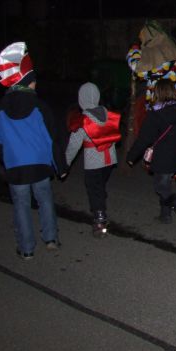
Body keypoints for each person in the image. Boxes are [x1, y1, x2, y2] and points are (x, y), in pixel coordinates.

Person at [0, 42, 68, 259]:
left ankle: (26, 249)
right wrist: (60, 166)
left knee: (21, 206)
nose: (36, 85)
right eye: (34, 81)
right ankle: (51, 239)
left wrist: (7, 156)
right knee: (45, 200)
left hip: (16, 167)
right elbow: (52, 138)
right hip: (40, 164)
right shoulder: (39, 106)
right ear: (27, 82)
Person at [126, 79, 176, 226]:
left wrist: (131, 156)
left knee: (161, 187)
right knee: (166, 185)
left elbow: (144, 138)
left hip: (163, 158)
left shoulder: (155, 114)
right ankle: (165, 215)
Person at [65, 82, 122, 238]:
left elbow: (73, 145)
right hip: (110, 160)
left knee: (94, 190)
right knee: (99, 186)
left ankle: (100, 220)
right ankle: (101, 202)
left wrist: (65, 164)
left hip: (94, 162)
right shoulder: (107, 115)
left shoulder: (83, 121)